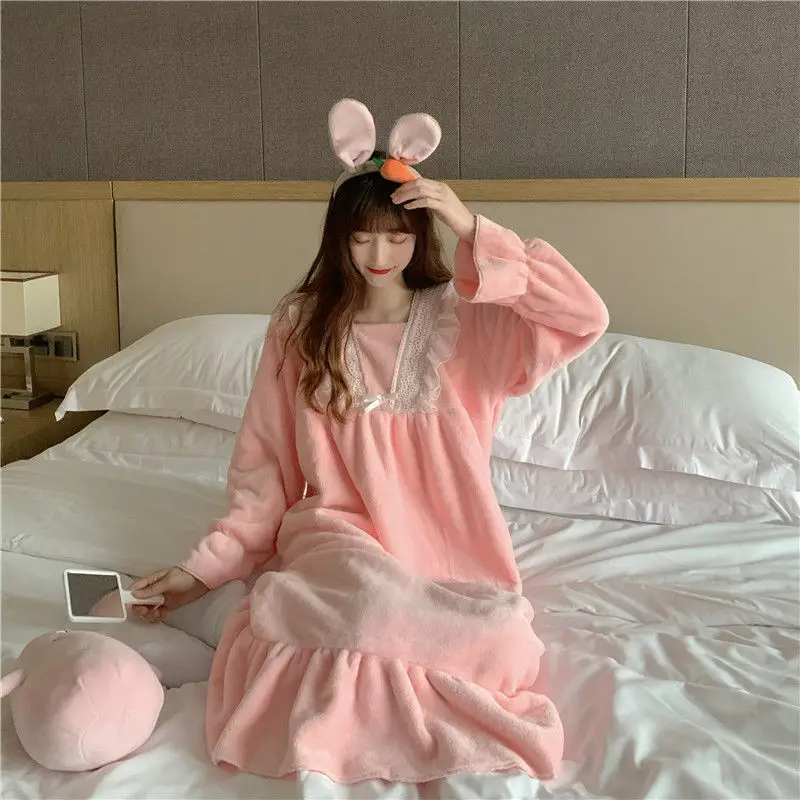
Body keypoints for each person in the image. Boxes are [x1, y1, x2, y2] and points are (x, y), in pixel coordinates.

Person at [131, 99, 609, 785]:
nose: (379, 256)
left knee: (503, 641)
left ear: (421, 235)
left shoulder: (471, 321)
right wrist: (205, 569)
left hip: (450, 544)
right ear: (338, 240)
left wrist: (471, 225)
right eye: (361, 239)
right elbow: (265, 467)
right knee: (360, 610)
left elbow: (583, 315)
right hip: (339, 534)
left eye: (397, 238)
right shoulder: (300, 325)